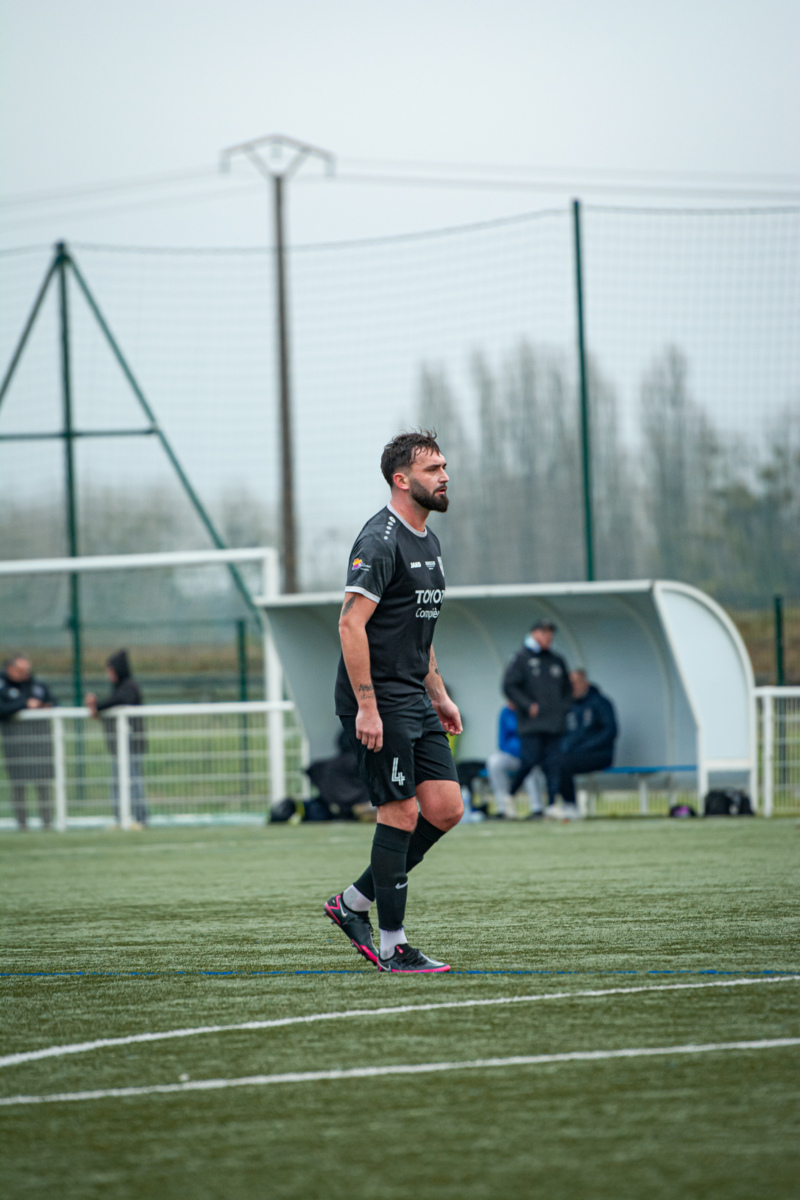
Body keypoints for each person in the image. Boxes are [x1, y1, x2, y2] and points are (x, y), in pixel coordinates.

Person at [325, 430, 463, 974]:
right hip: (379, 700)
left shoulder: (429, 541)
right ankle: (392, 946)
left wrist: (440, 694)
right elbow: (350, 624)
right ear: (401, 480)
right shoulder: (379, 541)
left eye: (444, 467)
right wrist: (367, 706)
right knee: (401, 812)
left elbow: (417, 631)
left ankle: (353, 902)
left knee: (446, 809)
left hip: (413, 695)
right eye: (433, 470)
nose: (444, 476)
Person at [503, 618, 571, 808]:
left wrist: (563, 709)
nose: (548, 636)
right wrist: (527, 705)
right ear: (534, 634)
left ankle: (552, 804)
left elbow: (567, 690)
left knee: (554, 764)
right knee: (529, 760)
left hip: (554, 723)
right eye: (544, 632)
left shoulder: (557, 660)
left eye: (550, 633)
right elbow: (509, 686)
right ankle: (510, 795)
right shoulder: (521, 659)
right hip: (531, 724)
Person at [86, 650, 148, 825]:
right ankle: (120, 819)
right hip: (119, 747)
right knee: (117, 783)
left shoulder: (129, 688)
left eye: (111, 670)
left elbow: (117, 702)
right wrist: (97, 708)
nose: (108, 674)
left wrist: (97, 706)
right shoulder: (119, 688)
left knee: (133, 782)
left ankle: (140, 819)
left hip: (132, 745)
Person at [0, 654, 57, 830]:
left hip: (40, 743)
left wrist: (44, 706)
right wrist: (25, 704)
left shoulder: (38, 685)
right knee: (18, 785)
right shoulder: (3, 687)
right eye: (21, 670)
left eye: (27, 669)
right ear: (10, 669)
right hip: (15, 745)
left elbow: (53, 702)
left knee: (43, 784)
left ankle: (47, 822)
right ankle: (22, 823)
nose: (26, 673)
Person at [555, 669, 618, 818]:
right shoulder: (567, 706)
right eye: (570, 683)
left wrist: (585, 747)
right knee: (554, 761)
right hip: (574, 755)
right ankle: (552, 805)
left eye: (576, 683)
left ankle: (571, 805)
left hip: (599, 754)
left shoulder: (600, 703)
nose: (573, 686)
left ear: (585, 683)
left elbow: (610, 731)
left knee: (563, 762)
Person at [486, 703, 543, 819]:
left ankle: (536, 808)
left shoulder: (532, 710)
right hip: (512, 755)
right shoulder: (505, 712)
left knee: (529, 765)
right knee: (494, 762)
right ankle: (504, 807)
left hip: (530, 755)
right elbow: (502, 740)